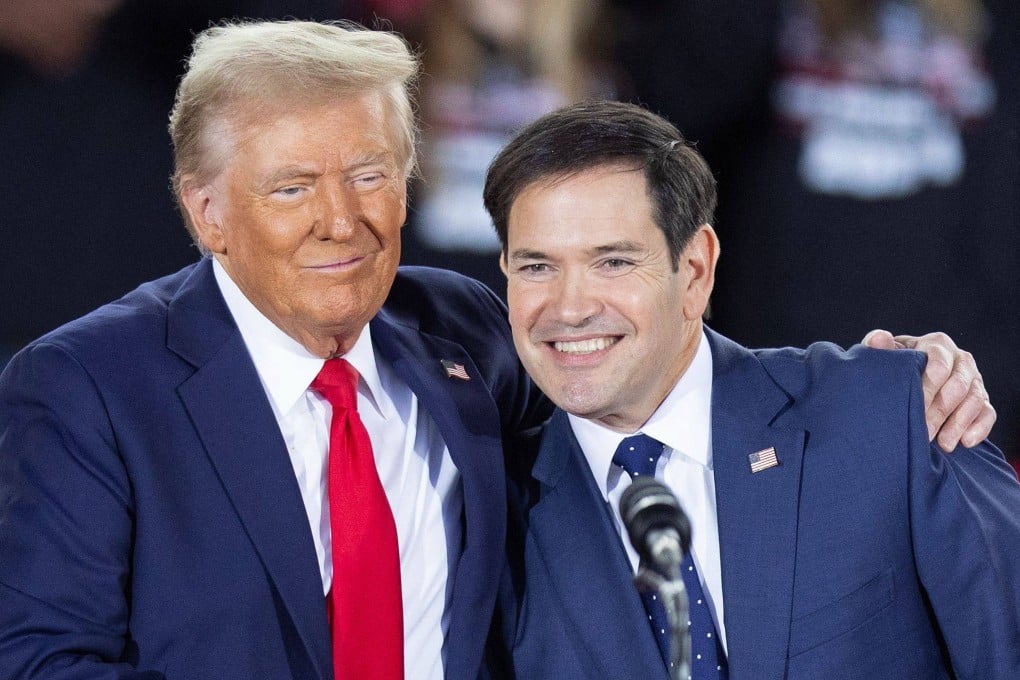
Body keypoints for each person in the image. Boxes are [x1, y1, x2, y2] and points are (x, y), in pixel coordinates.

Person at [0, 20, 998, 680]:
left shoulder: (460, 336)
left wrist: (900, 375)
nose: (340, 221)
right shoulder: (89, 387)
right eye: (292, 187)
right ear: (204, 209)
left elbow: (641, 379)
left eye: (370, 174)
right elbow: (42, 659)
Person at [484, 101, 1020, 679]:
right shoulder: (491, 516)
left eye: (612, 261)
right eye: (537, 267)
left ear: (695, 271)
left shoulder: (891, 416)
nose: (569, 308)